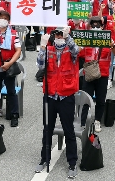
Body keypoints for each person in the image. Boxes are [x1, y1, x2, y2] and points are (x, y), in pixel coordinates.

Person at [35, 27, 81, 179]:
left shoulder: (70, 49)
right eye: (57, 34)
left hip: (66, 96)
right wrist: (42, 47)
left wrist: (68, 38)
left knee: (69, 131)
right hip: (50, 96)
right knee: (47, 129)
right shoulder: (49, 49)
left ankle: (72, 162)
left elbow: (76, 51)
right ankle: (44, 158)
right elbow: (41, 65)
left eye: (62, 34)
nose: (59, 37)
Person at [81, 16, 115, 133]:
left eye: (98, 25)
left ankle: (97, 121)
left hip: (103, 73)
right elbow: (78, 54)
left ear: (102, 26)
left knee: (101, 99)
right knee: (86, 98)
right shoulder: (86, 39)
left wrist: (112, 46)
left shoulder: (108, 38)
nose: (95, 27)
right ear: (90, 26)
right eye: (93, 25)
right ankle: (83, 121)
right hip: (90, 73)